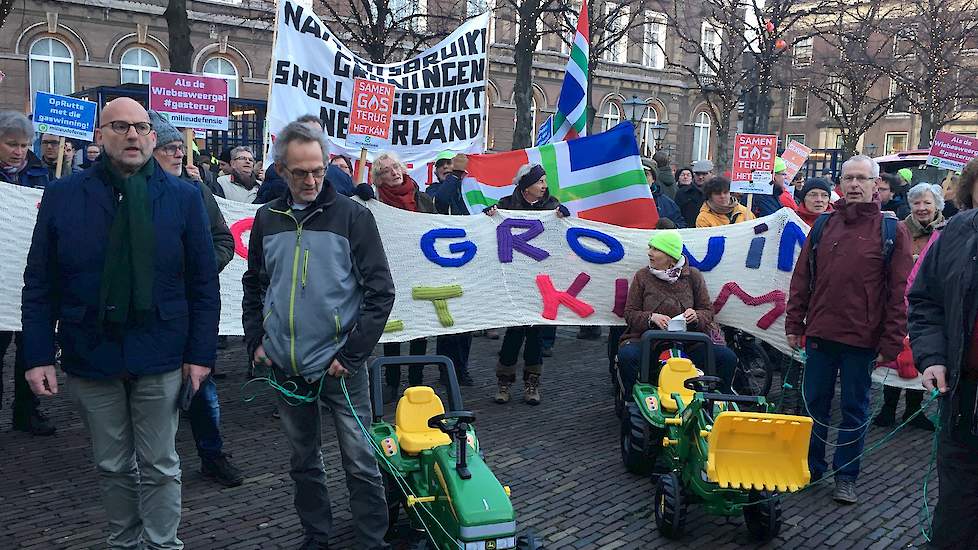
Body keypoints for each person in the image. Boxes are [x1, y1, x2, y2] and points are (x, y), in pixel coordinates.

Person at [22, 97, 220, 548]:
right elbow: (40, 282)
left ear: (152, 136)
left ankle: (162, 544)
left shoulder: (185, 197)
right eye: (120, 127)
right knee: (112, 464)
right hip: (91, 348)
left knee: (160, 464)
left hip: (161, 349)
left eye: (141, 127)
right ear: (100, 135)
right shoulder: (63, 196)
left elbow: (203, 285)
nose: (132, 135)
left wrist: (200, 354)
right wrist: (36, 356)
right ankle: (124, 542)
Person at [242, 121, 394, 550]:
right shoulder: (266, 218)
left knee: (361, 462)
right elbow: (254, 284)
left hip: (340, 368)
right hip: (286, 365)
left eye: (318, 170)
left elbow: (381, 292)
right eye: (299, 173)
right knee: (303, 463)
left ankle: (370, 540)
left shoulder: (353, 216)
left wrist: (351, 355)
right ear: (280, 171)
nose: (310, 180)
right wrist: (257, 341)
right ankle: (317, 536)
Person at [786, 154, 913, 505]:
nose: (855, 184)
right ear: (839, 185)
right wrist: (795, 323)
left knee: (855, 410)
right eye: (849, 178)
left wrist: (890, 341)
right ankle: (811, 467)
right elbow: (802, 279)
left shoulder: (892, 231)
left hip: (863, 339)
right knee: (814, 406)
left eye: (862, 178)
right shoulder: (824, 226)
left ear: (875, 185)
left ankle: (846, 475)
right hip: (821, 335)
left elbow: (898, 292)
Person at [148, 111, 244, 486]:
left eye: (180, 148)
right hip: (150, 314)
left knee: (201, 387)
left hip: (190, 308)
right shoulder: (130, 193)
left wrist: (201, 269)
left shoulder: (197, 191)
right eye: (170, 148)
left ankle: (212, 454)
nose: (178, 155)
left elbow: (223, 240)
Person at [906, 156, 978, 550]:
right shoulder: (955, 234)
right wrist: (933, 356)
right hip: (965, 398)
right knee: (958, 503)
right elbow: (925, 301)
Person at [486, 163, 570, 406]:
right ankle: (504, 381)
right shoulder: (505, 205)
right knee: (513, 332)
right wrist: (488, 215)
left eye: (544, 181)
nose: (544, 186)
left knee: (535, 333)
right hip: (512, 279)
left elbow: (561, 239)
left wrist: (564, 218)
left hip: (541, 280)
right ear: (526, 185)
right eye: (540, 181)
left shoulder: (552, 206)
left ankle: (532, 383)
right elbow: (485, 230)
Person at [616, 230, 736, 394]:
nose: (649, 253)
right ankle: (631, 401)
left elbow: (707, 311)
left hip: (689, 343)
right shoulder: (642, 276)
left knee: (727, 358)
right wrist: (651, 318)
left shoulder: (693, 276)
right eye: (650, 248)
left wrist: (696, 316)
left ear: (670, 257)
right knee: (627, 356)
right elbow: (629, 313)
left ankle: (717, 401)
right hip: (649, 343)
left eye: (656, 249)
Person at [370, 152, 443, 400]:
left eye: (396, 167)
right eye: (388, 170)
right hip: (389, 272)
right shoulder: (375, 201)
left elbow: (437, 228)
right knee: (394, 329)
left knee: (418, 328)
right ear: (379, 178)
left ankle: (415, 380)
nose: (395, 172)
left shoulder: (423, 199)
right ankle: (391, 381)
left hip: (419, 271)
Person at [0, 111, 54, 436]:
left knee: (29, 349)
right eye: (11, 144)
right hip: (1, 275)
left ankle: (26, 411)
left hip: (29, 275)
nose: (19, 151)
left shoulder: (41, 174)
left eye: (23, 145)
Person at [875, 183, 945, 431]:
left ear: (937, 205)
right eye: (917, 203)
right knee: (896, 354)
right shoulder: (900, 229)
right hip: (898, 300)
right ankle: (888, 407)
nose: (922, 208)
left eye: (927, 203)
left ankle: (914, 410)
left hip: (931, 303)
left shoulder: (947, 232)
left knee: (921, 352)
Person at [422, 152, 477, 378]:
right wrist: (455, 176)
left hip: (469, 262)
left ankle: (461, 368)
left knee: (467, 319)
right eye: (443, 165)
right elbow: (442, 202)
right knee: (447, 319)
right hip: (443, 263)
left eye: (451, 164)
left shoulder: (471, 192)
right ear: (436, 171)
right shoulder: (431, 192)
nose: (447, 167)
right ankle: (447, 370)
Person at [643, 158, 685, 228]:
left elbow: (681, 225)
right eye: (639, 174)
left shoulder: (667, 204)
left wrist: (672, 226)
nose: (642, 178)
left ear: (653, 179)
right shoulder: (623, 201)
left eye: (646, 174)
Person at [676, 159, 712, 227]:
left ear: (711, 173)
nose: (700, 177)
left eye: (704, 174)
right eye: (697, 174)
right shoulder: (682, 193)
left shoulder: (717, 193)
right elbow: (676, 215)